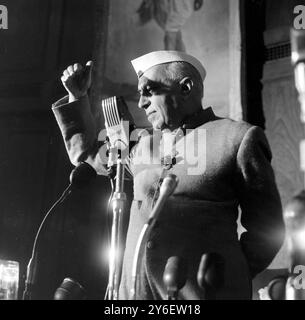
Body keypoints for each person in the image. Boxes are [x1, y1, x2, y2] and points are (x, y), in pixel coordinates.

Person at [52, 50, 285, 300]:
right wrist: (77, 96)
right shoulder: (139, 145)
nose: (141, 103)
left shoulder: (237, 138)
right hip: (134, 296)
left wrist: (227, 277)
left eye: (148, 91)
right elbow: (86, 155)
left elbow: (267, 229)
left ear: (185, 87)